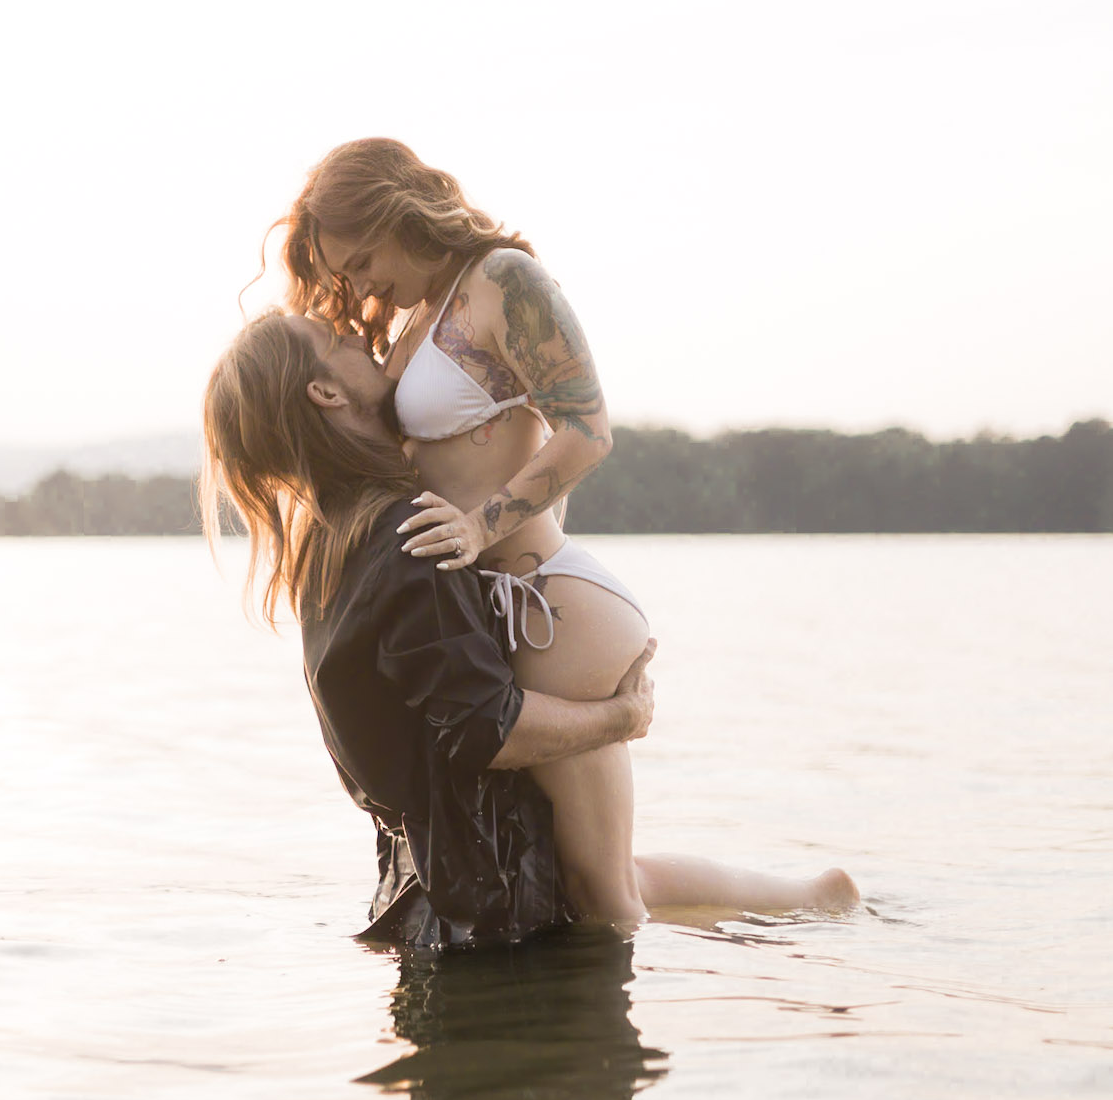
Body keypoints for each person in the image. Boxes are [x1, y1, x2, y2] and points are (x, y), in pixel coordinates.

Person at [277, 137, 857, 921]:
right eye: (344, 273)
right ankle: (811, 899)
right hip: (503, 611)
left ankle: (787, 935)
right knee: (593, 877)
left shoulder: (502, 279)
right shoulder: (422, 311)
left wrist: (483, 527)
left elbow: (587, 430)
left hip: (552, 609)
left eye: (361, 258)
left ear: (396, 211)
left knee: (603, 897)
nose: (358, 283)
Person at [201, 307, 858, 934]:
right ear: (324, 392)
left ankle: (808, 900)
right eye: (334, 339)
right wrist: (620, 719)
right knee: (615, 896)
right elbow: (491, 729)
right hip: (490, 902)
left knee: (615, 888)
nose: (353, 335)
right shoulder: (412, 537)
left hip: (434, 887)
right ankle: (810, 902)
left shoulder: (327, 548)